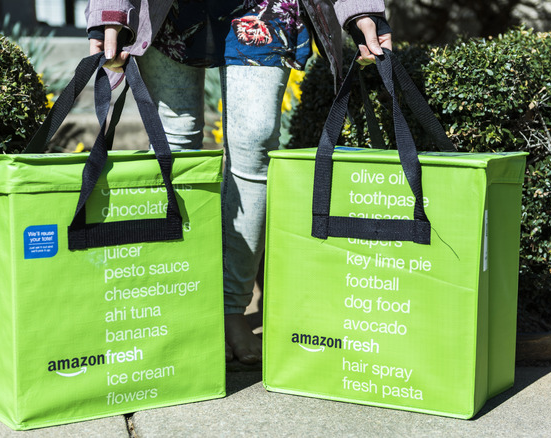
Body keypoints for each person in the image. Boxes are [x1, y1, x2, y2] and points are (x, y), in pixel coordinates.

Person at [85, 0, 392, 364]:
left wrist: (362, 9)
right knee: (173, 144)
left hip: (263, 7)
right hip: (171, 8)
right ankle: (179, 301)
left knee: (256, 141)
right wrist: (111, 11)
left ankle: (233, 306)